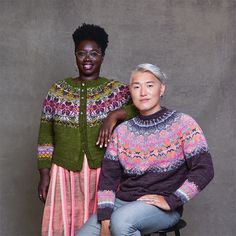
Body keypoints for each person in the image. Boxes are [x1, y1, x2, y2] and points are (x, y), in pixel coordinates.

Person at [77, 63, 214, 236]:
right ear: (130, 91)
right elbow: (108, 180)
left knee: (121, 223)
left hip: (161, 208)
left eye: (150, 85)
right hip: (122, 202)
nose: (143, 92)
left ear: (161, 89)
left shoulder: (183, 124)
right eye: (136, 86)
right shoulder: (122, 131)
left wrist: (173, 200)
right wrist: (104, 221)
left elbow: (205, 169)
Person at [37, 23, 136, 236]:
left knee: (100, 225)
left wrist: (115, 115)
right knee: (62, 225)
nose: (88, 58)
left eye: (94, 53)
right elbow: (45, 135)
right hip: (63, 171)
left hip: (103, 172)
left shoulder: (116, 91)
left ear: (102, 56)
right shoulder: (58, 90)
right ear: (75, 56)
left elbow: (142, 106)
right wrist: (44, 175)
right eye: (82, 53)